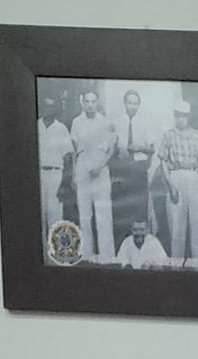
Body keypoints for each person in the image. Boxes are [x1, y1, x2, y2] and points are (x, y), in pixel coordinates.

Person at [151, 100, 198, 267]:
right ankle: (177, 263)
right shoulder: (168, 135)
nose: (180, 119)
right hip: (176, 176)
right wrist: (171, 186)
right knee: (177, 224)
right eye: (177, 116)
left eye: (183, 116)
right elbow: (163, 162)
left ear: (188, 117)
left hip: (194, 176)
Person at [69, 86, 116, 263]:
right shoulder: (76, 122)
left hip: (100, 169)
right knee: (84, 215)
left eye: (93, 101)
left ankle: (107, 258)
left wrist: (100, 166)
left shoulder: (105, 122)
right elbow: (74, 152)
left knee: (104, 215)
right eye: (87, 101)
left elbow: (111, 149)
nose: (90, 105)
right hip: (83, 169)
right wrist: (74, 175)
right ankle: (87, 256)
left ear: (98, 102)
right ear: (82, 103)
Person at [111, 88, 154, 240]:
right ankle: (124, 243)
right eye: (130, 103)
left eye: (135, 103)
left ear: (139, 105)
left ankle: (141, 243)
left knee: (140, 208)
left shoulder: (145, 123)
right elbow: (111, 149)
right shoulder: (117, 123)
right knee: (124, 208)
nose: (132, 106)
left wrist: (139, 148)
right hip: (123, 169)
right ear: (125, 103)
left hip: (138, 168)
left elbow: (151, 149)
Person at [36, 95, 73, 253]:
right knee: (39, 214)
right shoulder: (36, 126)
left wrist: (64, 182)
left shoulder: (61, 128)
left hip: (56, 174)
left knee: (55, 214)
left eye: (51, 107)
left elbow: (68, 157)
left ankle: (57, 253)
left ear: (56, 109)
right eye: (46, 106)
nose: (48, 109)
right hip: (39, 173)